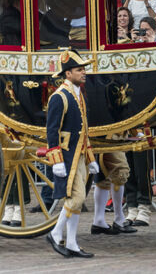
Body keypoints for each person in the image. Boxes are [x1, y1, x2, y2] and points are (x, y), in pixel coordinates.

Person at [41, 49, 98, 258]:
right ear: (67, 73)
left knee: (76, 202)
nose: (83, 73)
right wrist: (55, 159)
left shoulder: (78, 94)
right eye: (79, 70)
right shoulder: (59, 97)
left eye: (83, 69)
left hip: (80, 155)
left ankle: (72, 242)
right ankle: (56, 233)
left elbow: (83, 130)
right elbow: (52, 131)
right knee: (77, 199)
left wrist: (90, 158)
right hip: (66, 157)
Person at [92, 149, 137, 235]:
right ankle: (118, 219)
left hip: (104, 137)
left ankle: (99, 220)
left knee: (104, 174)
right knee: (120, 170)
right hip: (108, 137)